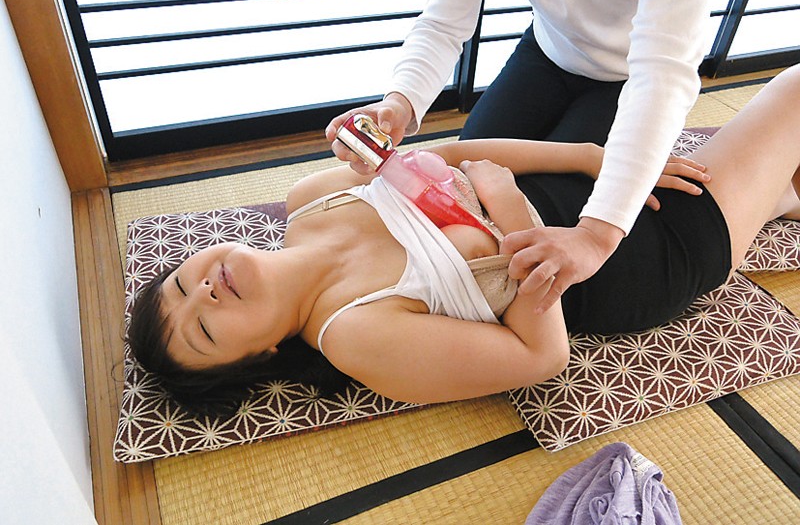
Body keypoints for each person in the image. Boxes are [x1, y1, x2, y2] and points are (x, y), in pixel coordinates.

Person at [129, 66, 800, 417]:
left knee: (612, 72)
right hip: (635, 258)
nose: (204, 292)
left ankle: (778, 199)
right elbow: (542, 356)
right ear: (261, 355)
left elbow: (451, 153)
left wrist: (598, 161)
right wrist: (507, 206)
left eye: (183, 284)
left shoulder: (308, 200)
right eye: (205, 330)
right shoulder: (355, 335)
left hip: (578, 187)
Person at [326, 0, 714, 315]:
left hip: (630, 76)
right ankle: (597, 157)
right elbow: (443, 21)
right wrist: (399, 102)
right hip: (549, 49)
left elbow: (662, 78)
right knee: (467, 180)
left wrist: (597, 234)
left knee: (546, 208)